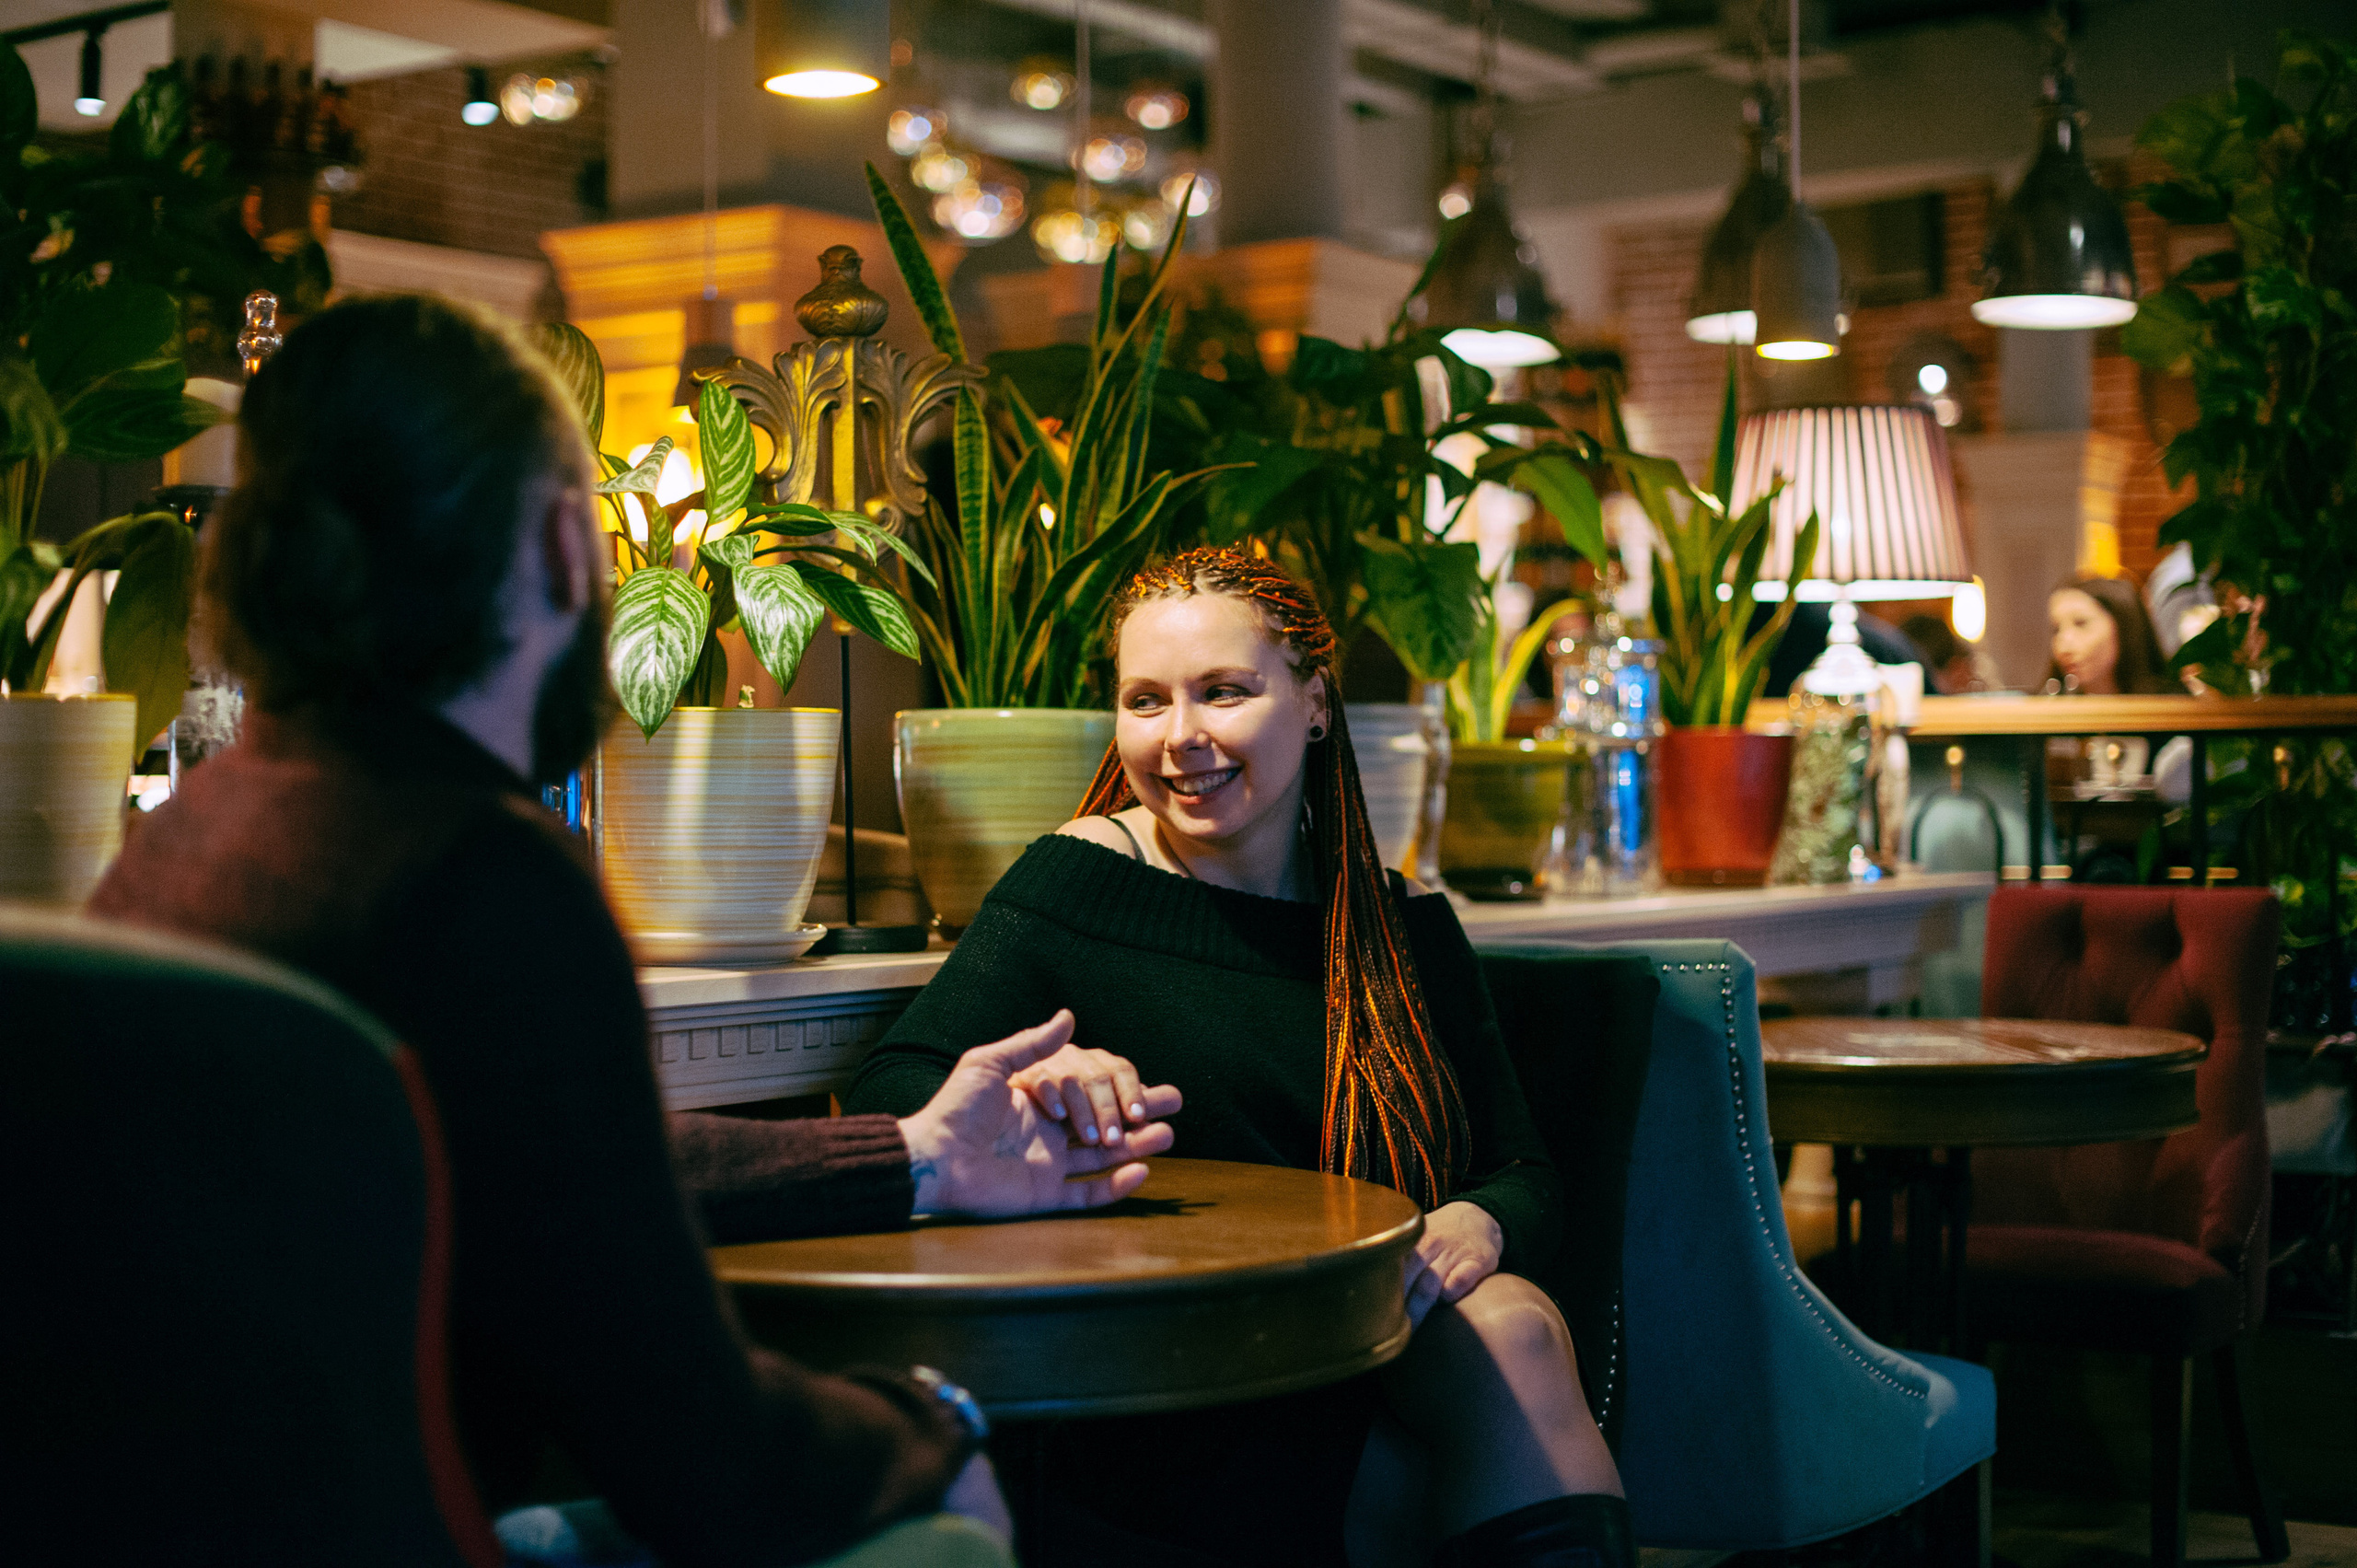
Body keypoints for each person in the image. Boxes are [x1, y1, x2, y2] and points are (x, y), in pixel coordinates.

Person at [87, 294, 1184, 1565]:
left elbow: (546, 1172)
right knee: (950, 1516)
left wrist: (917, 1155)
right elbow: (708, 1460)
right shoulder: (478, 873)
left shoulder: (194, 841)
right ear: (565, 543)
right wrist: (936, 1412)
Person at [844, 548, 1630, 1568]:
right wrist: (1036, 1084)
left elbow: (1520, 1170)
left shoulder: (1401, 923)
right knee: (1509, 1355)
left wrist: (1473, 1220)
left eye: (1223, 692)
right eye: (1145, 699)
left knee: (1513, 1322)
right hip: (1168, 1377)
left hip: (1368, 1343)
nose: (1180, 738)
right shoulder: (1077, 878)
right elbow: (890, 1094)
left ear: (1312, 703)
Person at [2047, 575, 2177, 695]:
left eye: (2081, 623)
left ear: (2124, 626)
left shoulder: (2176, 707)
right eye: (2056, 629)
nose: (2063, 645)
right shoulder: (2044, 708)